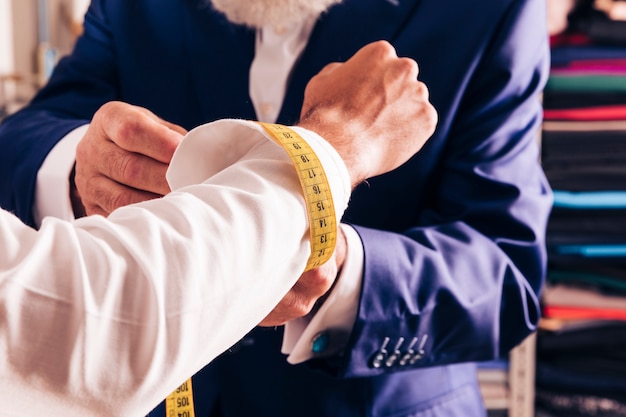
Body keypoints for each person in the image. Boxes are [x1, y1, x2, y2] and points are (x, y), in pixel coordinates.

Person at [0, 0, 553, 416]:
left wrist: (338, 271)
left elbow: (505, 271)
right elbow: (28, 135)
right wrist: (80, 170)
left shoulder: (490, 9)